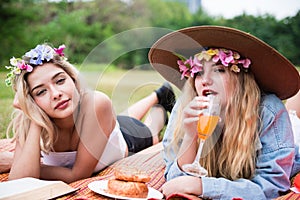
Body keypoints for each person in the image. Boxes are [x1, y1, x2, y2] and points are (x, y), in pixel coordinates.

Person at [148, 26, 300, 199]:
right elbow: (175, 182)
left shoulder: (268, 111)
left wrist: (203, 186)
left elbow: (273, 186)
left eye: (219, 70)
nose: (205, 80)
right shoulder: (185, 107)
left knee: (295, 118)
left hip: (289, 141)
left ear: (240, 77)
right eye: (198, 72)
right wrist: (191, 136)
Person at [3, 43, 176, 183]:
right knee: (121, 118)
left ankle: (159, 101)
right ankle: (159, 94)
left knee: (151, 130)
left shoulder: (96, 103)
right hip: (104, 127)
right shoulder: (27, 120)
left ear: (72, 77)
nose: (56, 94)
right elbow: (19, 181)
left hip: (128, 140)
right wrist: (33, 116)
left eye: (60, 80)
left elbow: (76, 176)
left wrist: (25, 163)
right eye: (41, 92)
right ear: (30, 101)